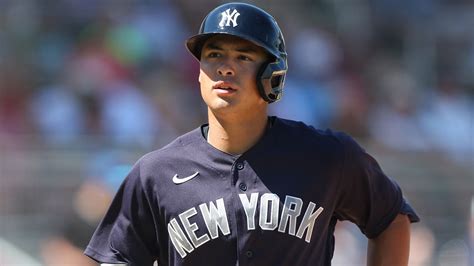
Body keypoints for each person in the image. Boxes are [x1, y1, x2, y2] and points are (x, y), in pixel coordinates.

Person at [84, 2, 419, 265]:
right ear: (198, 73)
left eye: (243, 56)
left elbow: (390, 218)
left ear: (273, 74)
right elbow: (120, 259)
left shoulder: (326, 156)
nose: (224, 67)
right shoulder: (155, 172)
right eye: (213, 55)